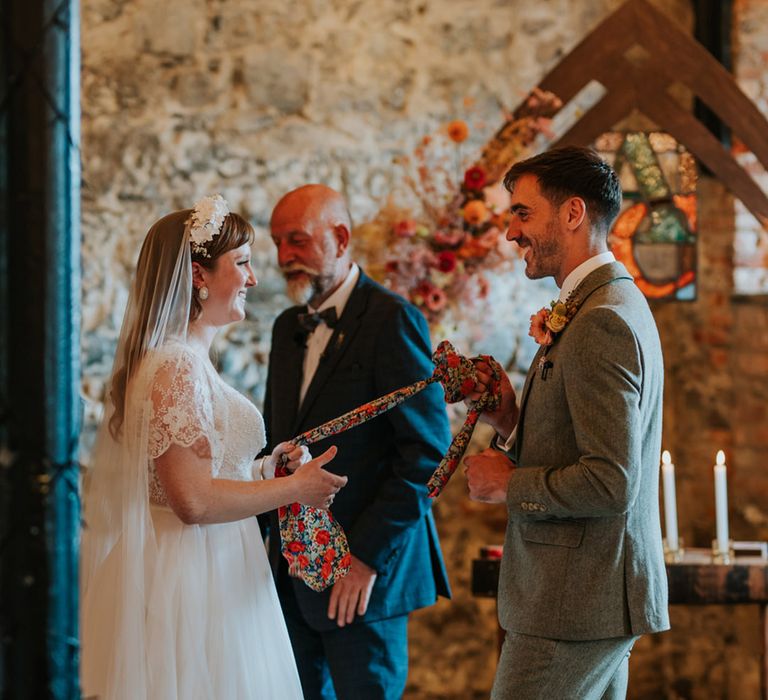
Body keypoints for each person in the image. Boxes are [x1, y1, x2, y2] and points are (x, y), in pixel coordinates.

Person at [80, 196, 348, 699]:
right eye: (242, 263)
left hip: (215, 563)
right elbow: (193, 501)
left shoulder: (186, 361)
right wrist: (296, 487)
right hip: (188, 578)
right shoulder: (176, 367)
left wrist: (267, 469)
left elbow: (203, 472)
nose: (252, 279)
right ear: (199, 275)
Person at [464, 146, 669, 699]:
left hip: (573, 605)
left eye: (523, 213)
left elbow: (612, 480)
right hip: (580, 599)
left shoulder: (602, 319)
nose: (510, 232)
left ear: (574, 213)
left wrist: (509, 483)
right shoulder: (600, 305)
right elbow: (577, 446)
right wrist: (509, 419)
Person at [263, 184, 452, 700]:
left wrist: (364, 557)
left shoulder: (393, 320)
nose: (284, 257)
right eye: (278, 243)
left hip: (365, 579)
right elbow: (275, 440)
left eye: (297, 240)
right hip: (289, 574)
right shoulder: (286, 328)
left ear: (341, 237)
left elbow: (428, 455)